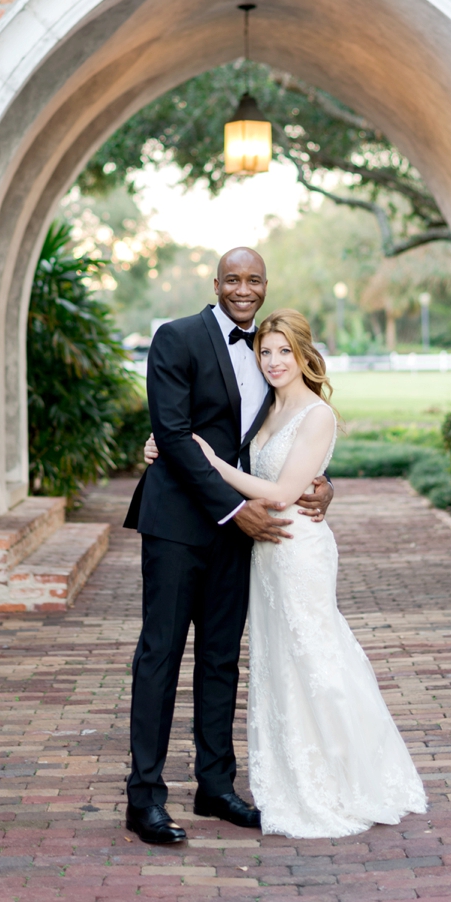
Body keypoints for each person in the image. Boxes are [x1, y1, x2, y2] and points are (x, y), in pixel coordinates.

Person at [123, 247, 334, 846]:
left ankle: (215, 788)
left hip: (242, 535)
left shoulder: (269, 356)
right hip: (179, 525)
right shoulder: (176, 337)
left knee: (220, 660)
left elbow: (294, 435)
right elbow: (172, 431)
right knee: (159, 656)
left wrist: (322, 485)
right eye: (233, 279)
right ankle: (145, 800)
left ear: (266, 285)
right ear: (215, 283)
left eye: (254, 279)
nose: (244, 288)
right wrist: (234, 509)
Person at [191, 307, 427, 838]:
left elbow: (279, 491)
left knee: (317, 654)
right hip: (266, 553)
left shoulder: (316, 415)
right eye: (265, 352)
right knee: (280, 660)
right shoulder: (265, 409)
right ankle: (297, 771)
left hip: (299, 549)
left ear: (304, 356)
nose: (273, 361)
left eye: (284, 352)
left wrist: (210, 462)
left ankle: (350, 779)